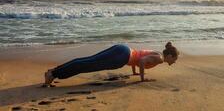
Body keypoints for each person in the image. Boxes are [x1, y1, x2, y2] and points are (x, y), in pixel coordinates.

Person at [44, 41, 179, 85]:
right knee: (88, 65)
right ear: (169, 56)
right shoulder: (160, 59)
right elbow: (142, 61)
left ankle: (53, 72)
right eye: (175, 59)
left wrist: (134, 72)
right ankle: (53, 73)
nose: (175, 62)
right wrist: (142, 79)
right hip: (122, 56)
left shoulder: (157, 54)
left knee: (88, 60)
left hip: (124, 49)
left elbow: (138, 57)